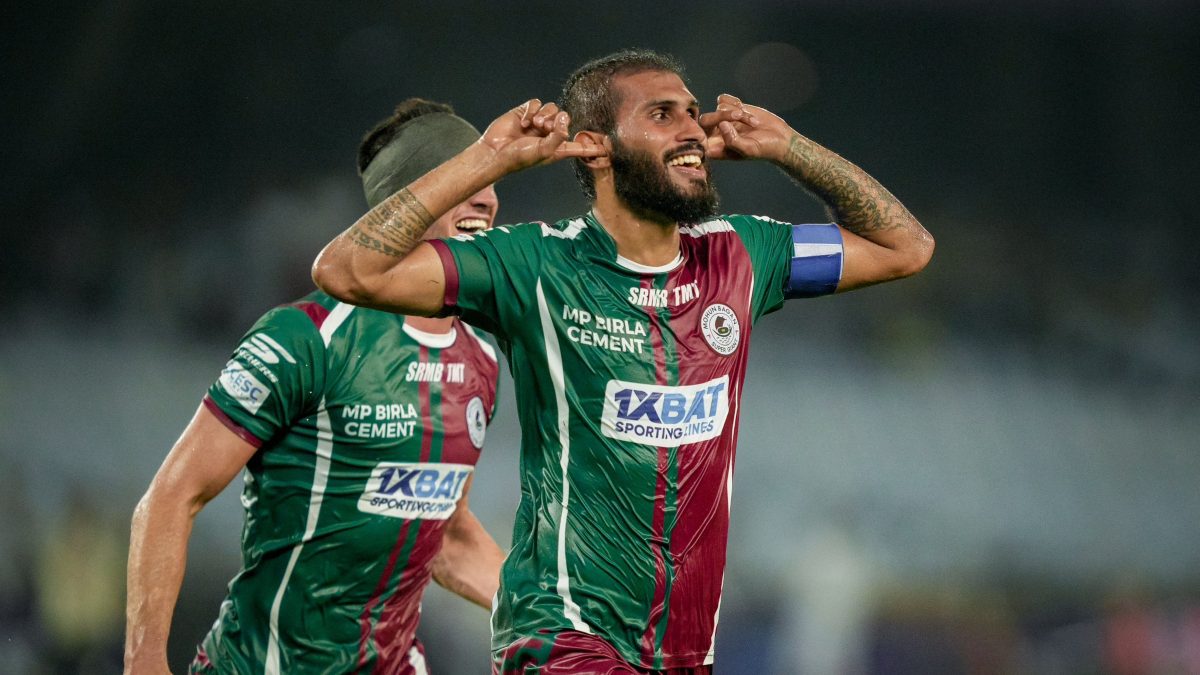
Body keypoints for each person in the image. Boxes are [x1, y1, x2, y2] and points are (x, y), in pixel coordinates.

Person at [313, 50, 935, 674]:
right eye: (661, 115)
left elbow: (906, 248)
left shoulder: (742, 254)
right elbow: (348, 271)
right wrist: (487, 160)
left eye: (692, 114)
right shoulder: (534, 265)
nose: (692, 129)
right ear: (595, 147)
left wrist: (790, 148)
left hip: (686, 648)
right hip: (566, 635)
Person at [125, 98, 507, 675]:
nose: (487, 195)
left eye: (492, 177)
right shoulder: (307, 337)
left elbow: (447, 537)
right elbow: (171, 500)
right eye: (467, 176)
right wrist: (144, 661)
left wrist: (558, 615)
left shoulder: (480, 356)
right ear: (405, 203)